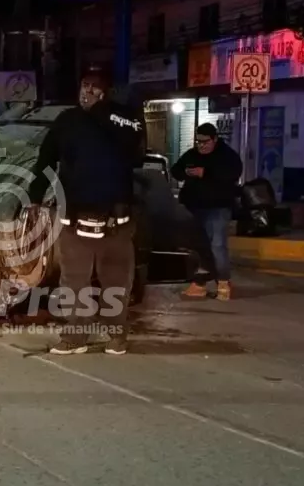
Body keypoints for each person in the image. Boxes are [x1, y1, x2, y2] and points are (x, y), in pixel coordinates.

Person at [25, 68, 145, 355]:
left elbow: (136, 152)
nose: (86, 92)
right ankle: (75, 337)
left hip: (115, 222)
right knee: (73, 283)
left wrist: (102, 110)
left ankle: (116, 335)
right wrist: (34, 196)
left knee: (116, 281)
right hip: (75, 219)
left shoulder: (123, 118)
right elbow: (45, 160)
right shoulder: (67, 121)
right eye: (84, 85)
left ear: (106, 92)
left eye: (94, 87)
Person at [172, 123, 242, 301]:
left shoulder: (227, 156)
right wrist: (186, 172)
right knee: (198, 247)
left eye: (205, 142)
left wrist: (205, 173)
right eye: (198, 141)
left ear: (215, 139)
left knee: (217, 245)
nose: (201, 145)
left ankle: (223, 283)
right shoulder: (192, 154)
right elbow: (175, 170)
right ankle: (199, 284)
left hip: (218, 207)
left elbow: (233, 173)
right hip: (195, 207)